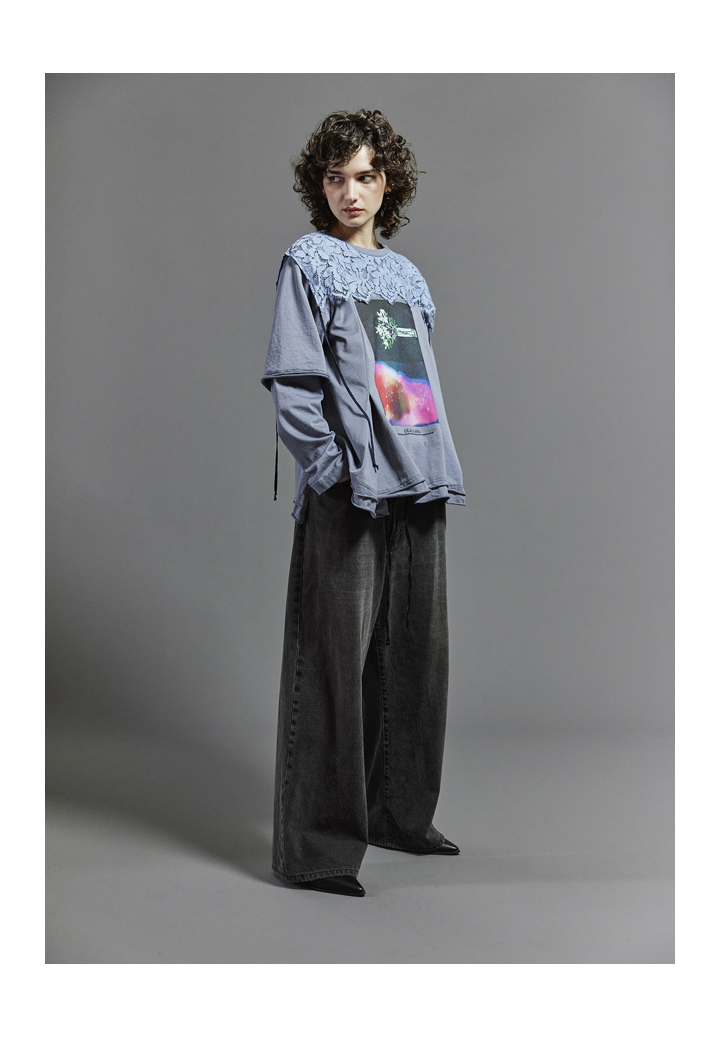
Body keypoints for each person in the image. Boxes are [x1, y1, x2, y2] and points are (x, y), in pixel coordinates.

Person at [261, 109, 465, 897]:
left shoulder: (408, 277)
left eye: (367, 176)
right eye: (337, 177)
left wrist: (427, 458)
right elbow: (293, 376)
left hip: (420, 480)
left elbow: (411, 382)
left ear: (389, 185)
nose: (352, 191)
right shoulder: (308, 262)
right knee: (334, 664)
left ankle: (399, 814)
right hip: (351, 486)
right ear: (320, 185)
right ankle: (317, 848)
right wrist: (330, 467)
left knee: (417, 656)